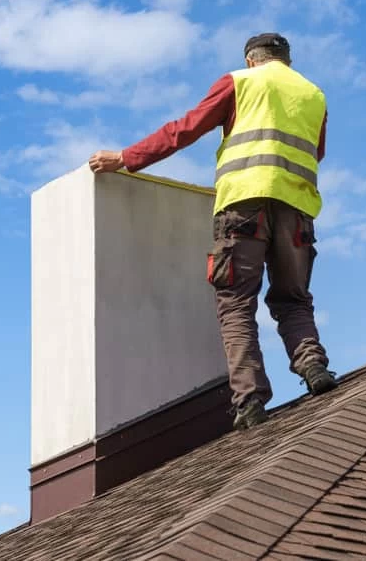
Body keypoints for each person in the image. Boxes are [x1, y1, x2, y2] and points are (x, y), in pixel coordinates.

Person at [88, 33, 336, 430]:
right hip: (297, 211)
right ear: (286, 61)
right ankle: (313, 367)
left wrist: (126, 158)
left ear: (251, 60)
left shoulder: (239, 82)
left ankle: (250, 399)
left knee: (236, 301)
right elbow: (315, 152)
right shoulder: (314, 96)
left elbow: (185, 129)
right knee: (293, 298)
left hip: (243, 206)